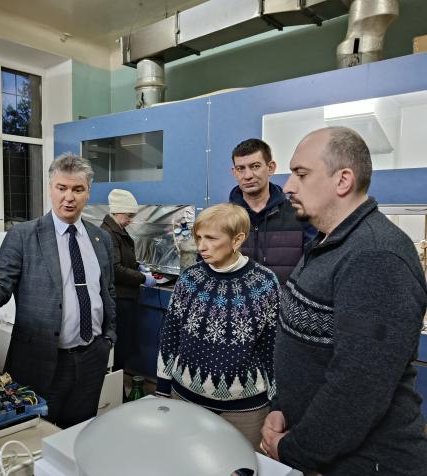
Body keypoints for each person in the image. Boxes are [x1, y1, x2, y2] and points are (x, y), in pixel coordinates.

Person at [260, 127, 427, 475]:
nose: (288, 186)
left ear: (343, 180)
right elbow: (308, 349)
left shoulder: (375, 255)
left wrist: (296, 449)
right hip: (316, 446)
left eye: (301, 174)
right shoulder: (328, 243)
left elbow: (358, 385)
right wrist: (281, 407)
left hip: (366, 463)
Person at [0, 154, 116, 429]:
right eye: (62, 188)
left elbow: (107, 290)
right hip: (41, 361)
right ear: (50, 188)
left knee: (79, 433)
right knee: (36, 436)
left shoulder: (101, 239)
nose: (69, 197)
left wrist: (108, 338)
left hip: (91, 359)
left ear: (88, 193)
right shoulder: (24, 235)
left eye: (77, 189)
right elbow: (2, 277)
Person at [156, 203, 280, 449]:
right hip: (186, 399)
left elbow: (273, 347)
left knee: (241, 463)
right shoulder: (189, 279)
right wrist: (162, 389)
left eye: (211, 238)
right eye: (199, 237)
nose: (201, 246)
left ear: (237, 240)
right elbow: (170, 336)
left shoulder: (264, 283)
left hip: (245, 410)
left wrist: (277, 403)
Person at [229, 138, 316, 284]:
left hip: (288, 298)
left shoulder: (300, 214)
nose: (248, 175)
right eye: (240, 168)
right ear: (234, 173)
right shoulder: (222, 219)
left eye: (255, 166)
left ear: (270, 168)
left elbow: (315, 265)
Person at [100, 189, 156, 370]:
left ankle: (118, 379)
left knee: (124, 342)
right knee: (120, 344)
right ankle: (116, 381)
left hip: (125, 297)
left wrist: (136, 265)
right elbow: (115, 269)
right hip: (119, 298)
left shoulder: (117, 231)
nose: (130, 220)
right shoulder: (109, 234)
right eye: (129, 216)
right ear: (117, 211)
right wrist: (143, 277)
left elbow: (121, 259)